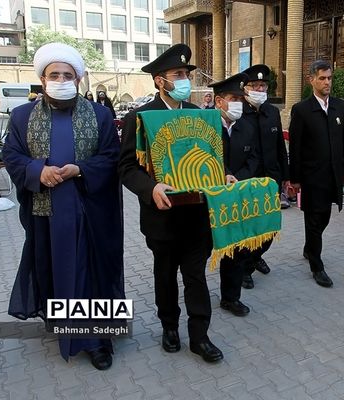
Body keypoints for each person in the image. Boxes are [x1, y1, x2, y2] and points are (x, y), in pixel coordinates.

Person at [2, 42, 124, 369]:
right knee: (55, 271)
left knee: (91, 275)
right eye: (54, 74)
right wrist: (36, 171)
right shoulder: (22, 116)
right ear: (42, 79)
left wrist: (81, 169)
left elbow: (112, 157)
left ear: (79, 79)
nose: (60, 79)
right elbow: (12, 155)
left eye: (67, 74)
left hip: (90, 212)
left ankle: (97, 340)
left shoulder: (99, 114)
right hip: (46, 214)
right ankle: (65, 328)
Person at [119, 43, 224, 362]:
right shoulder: (139, 117)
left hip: (196, 215)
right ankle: (169, 327)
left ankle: (200, 336)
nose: (184, 81)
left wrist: (224, 175)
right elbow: (126, 167)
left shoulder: (201, 116)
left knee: (196, 276)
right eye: (177, 75)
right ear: (158, 81)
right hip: (161, 218)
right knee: (164, 276)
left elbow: (213, 157)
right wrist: (150, 188)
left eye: (186, 75)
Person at [289, 59, 344, 288]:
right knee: (314, 219)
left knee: (323, 217)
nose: (327, 82)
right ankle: (317, 266)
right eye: (322, 78)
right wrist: (294, 179)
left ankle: (309, 247)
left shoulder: (340, 106)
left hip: (333, 175)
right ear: (311, 80)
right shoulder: (302, 110)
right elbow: (294, 148)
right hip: (311, 177)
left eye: (330, 78)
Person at [208, 72, 258, 316]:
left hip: (237, 197)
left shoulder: (247, 127)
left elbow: (253, 158)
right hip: (209, 196)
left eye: (241, 98)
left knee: (237, 250)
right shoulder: (204, 125)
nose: (239, 103)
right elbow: (205, 156)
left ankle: (230, 297)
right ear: (219, 101)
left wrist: (239, 179)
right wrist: (224, 175)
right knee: (202, 249)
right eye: (233, 98)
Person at [239, 64, 289, 289]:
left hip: (271, 181)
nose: (260, 88)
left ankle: (255, 255)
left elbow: (280, 147)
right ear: (245, 88)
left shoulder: (272, 112)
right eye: (255, 85)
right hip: (247, 182)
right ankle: (246, 268)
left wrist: (286, 177)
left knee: (269, 229)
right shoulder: (238, 112)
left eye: (263, 85)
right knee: (250, 229)